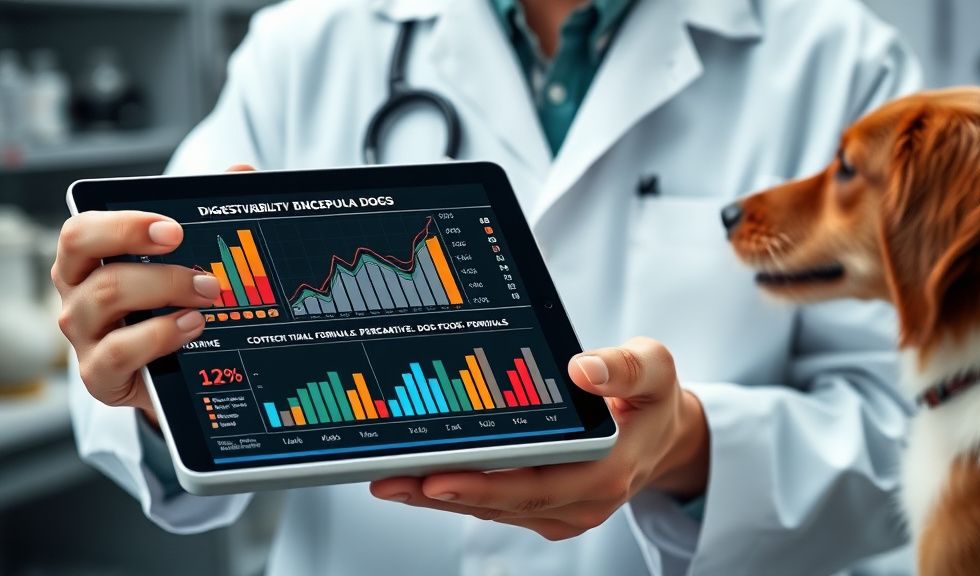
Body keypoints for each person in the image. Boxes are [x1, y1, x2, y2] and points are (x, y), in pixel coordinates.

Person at [55, 0, 922, 573]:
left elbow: (916, 435)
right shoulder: (303, 46)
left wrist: (687, 448)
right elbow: (139, 310)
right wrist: (152, 377)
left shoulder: (839, 58)